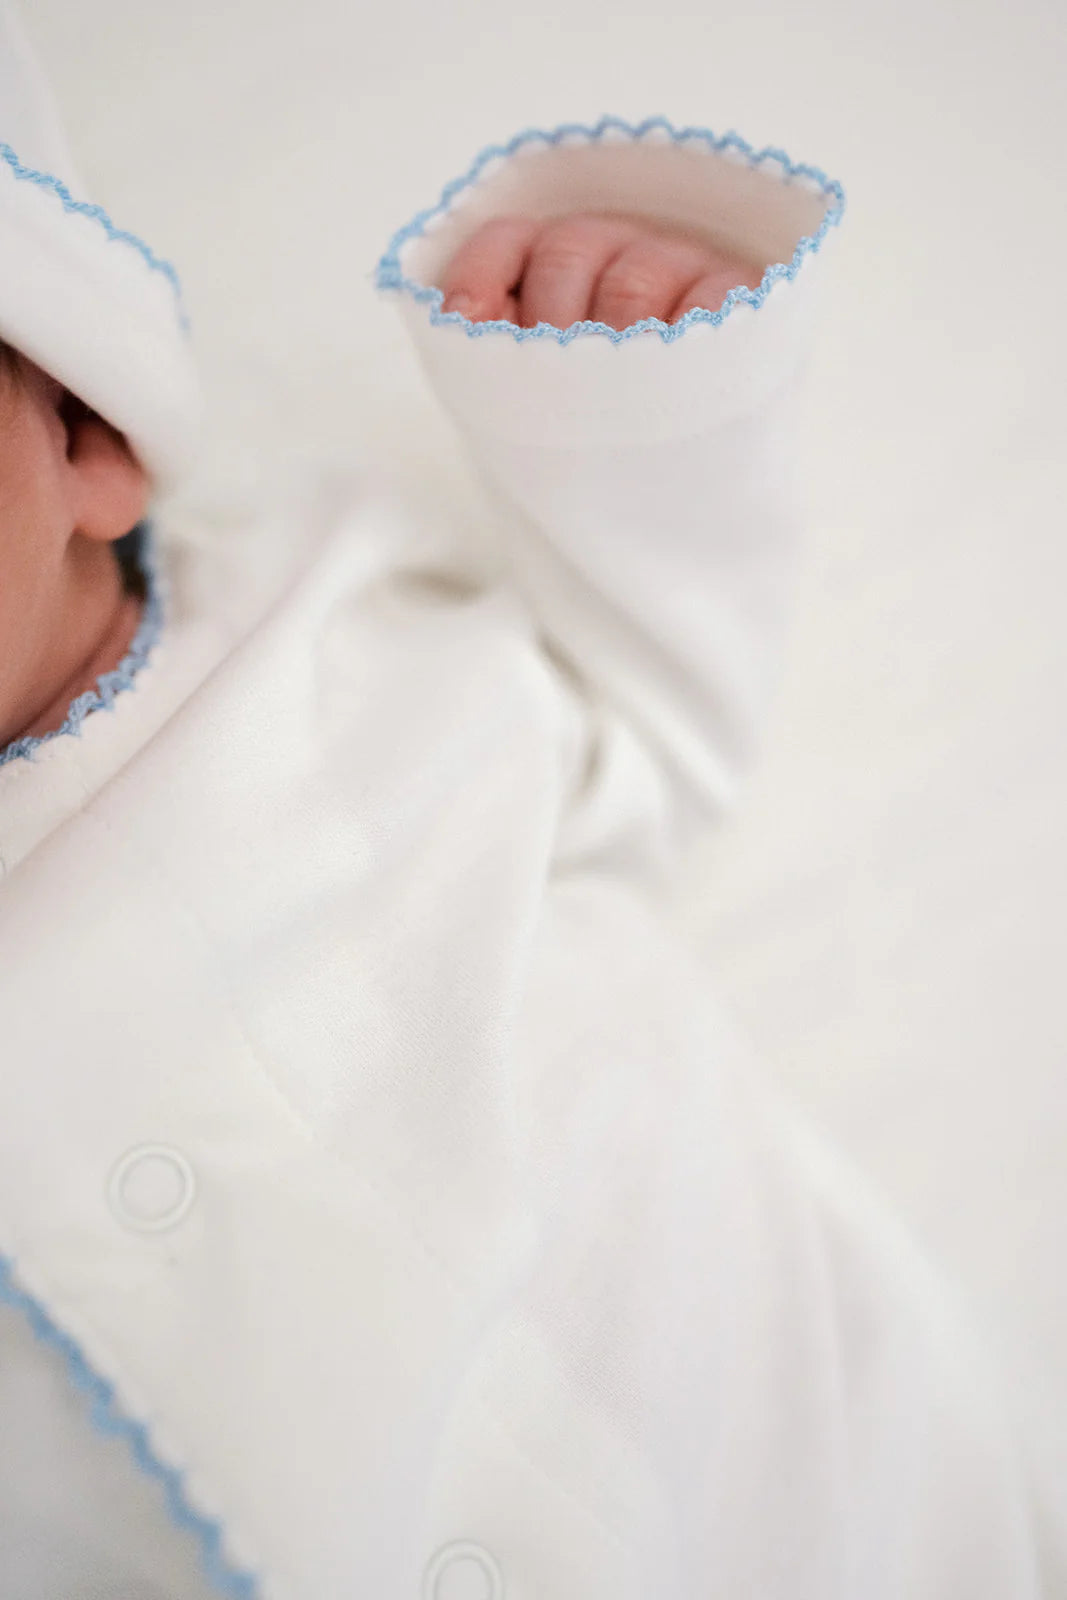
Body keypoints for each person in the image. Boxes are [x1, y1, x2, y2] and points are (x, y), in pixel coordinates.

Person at [0, 5, 1055, 1597]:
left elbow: (660, 732)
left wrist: (631, 407)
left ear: (85, 433)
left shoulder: (332, 617)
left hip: (865, 1505)